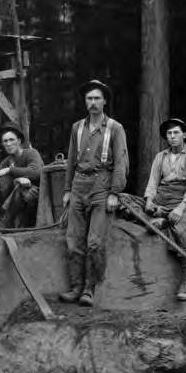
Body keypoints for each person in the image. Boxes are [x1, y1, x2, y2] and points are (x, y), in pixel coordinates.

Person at [59, 80, 129, 307]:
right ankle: (76, 287)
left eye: (97, 98)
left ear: (105, 101)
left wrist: (115, 192)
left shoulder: (115, 128)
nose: (93, 103)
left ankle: (89, 288)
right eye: (89, 98)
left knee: (95, 242)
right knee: (73, 240)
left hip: (102, 185)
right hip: (79, 185)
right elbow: (70, 161)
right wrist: (68, 190)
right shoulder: (77, 127)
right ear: (85, 102)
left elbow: (121, 162)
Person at [143, 118, 186, 301]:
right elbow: (153, 181)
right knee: (126, 202)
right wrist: (148, 201)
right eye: (169, 134)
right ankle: (162, 216)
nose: (172, 137)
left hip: (185, 200)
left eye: (176, 132)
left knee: (179, 228)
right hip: (163, 197)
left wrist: (181, 208)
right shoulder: (160, 156)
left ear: (184, 135)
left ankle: (185, 276)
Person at [0, 123, 44, 228]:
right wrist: (17, 180)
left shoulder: (31, 153)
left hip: (37, 197)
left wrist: (10, 170)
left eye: (11, 140)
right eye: (5, 141)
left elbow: (36, 172)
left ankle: (5, 223)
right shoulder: (5, 163)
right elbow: (4, 191)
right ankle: (5, 221)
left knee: (22, 189)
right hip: (17, 203)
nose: (8, 144)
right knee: (17, 187)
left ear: (19, 141)